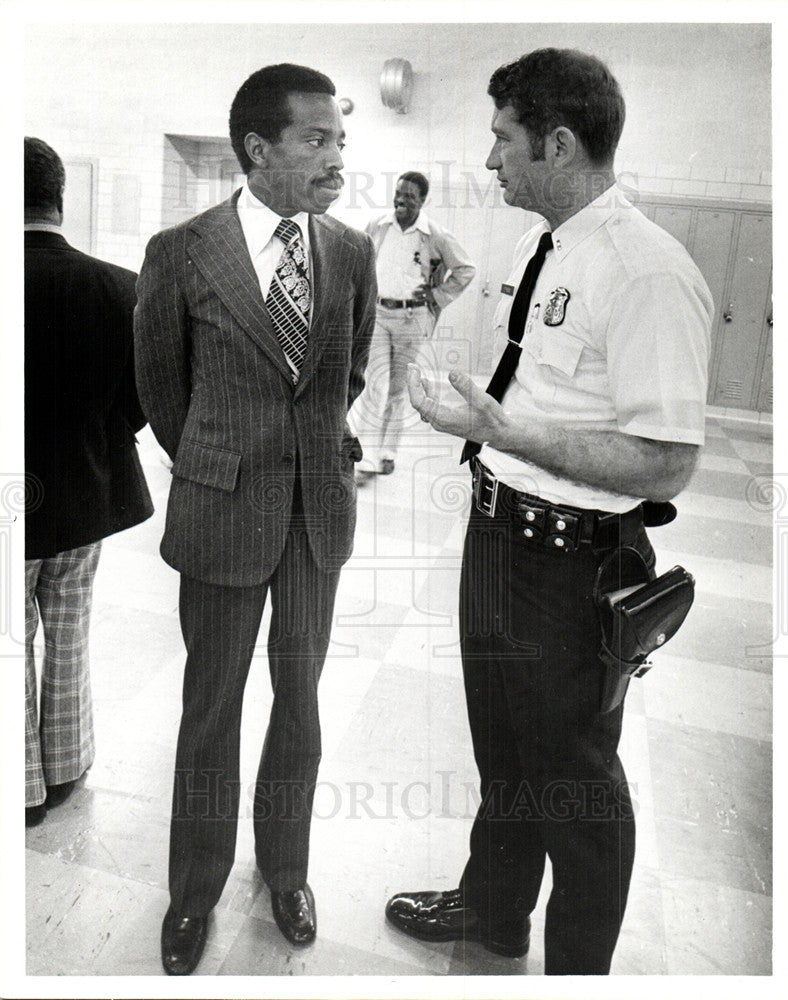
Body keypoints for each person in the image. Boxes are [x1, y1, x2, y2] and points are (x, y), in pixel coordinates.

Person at [385, 48, 712, 975]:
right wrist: (474, 421)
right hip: (500, 536)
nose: (491, 161)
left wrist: (504, 430)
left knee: (576, 781)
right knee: (504, 748)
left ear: (557, 144)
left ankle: (578, 970)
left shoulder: (647, 272)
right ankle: (494, 912)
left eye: (503, 139)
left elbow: (667, 461)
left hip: (573, 566)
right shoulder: (548, 247)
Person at [134, 64, 376, 976]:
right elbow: (163, 389)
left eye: (340, 141)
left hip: (316, 515)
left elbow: (345, 374)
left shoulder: (349, 252)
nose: (335, 159)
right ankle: (192, 891)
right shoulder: (182, 251)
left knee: (300, 705)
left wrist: (306, 445)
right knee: (211, 707)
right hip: (223, 512)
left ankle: (288, 872)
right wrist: (221, 457)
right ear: (258, 149)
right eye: (317, 140)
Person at [24, 137, 153, 829]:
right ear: (60, 198)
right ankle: (68, 766)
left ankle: (21, 788)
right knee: (69, 630)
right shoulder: (119, 285)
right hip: (85, 492)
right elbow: (141, 398)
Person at [350, 171, 475, 478]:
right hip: (379, 314)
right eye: (399, 193)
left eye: (409, 195)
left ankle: (388, 451)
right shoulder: (377, 226)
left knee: (396, 389)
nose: (401, 200)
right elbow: (360, 264)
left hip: (413, 318)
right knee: (374, 383)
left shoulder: (435, 234)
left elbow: (465, 269)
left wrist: (436, 294)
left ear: (422, 200)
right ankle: (366, 456)